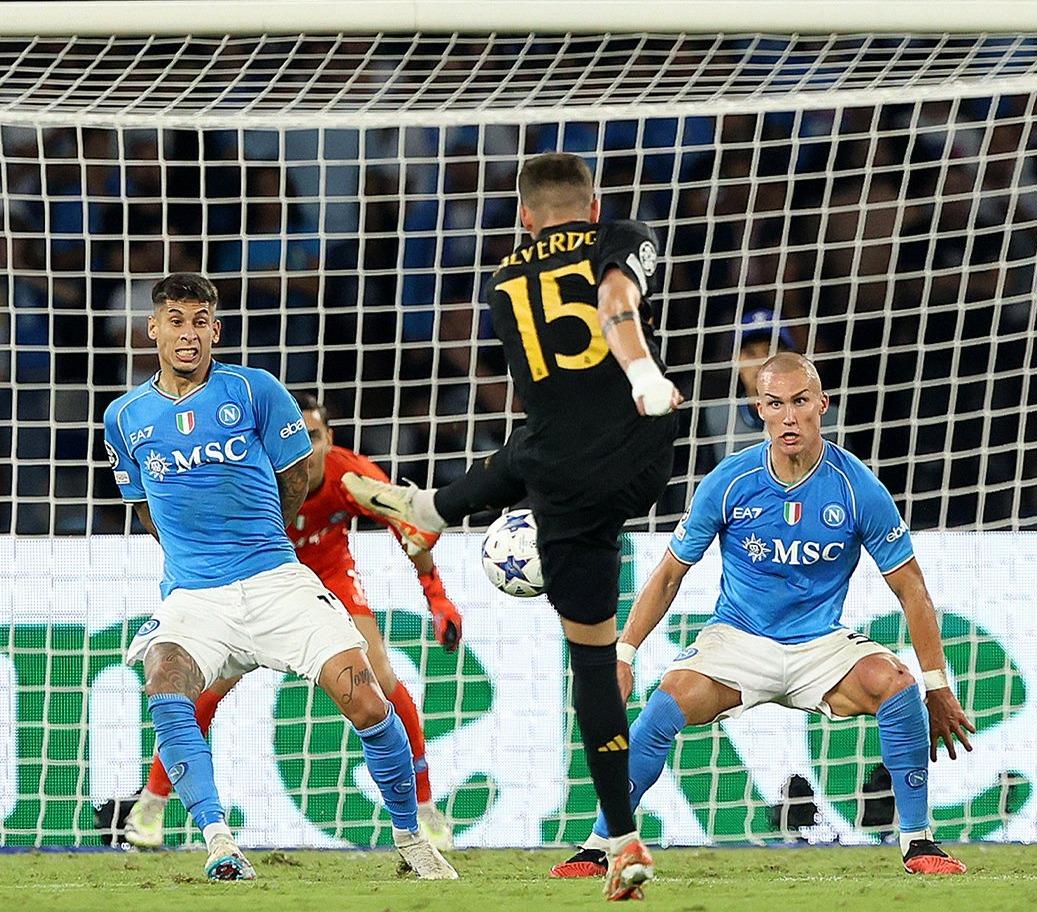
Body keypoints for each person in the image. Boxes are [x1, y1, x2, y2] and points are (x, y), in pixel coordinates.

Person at [344, 152, 682, 901]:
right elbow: (618, 294)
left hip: (561, 482)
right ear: (592, 207)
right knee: (535, 447)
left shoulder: (500, 283)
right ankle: (431, 509)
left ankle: (622, 841)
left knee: (592, 666)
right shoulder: (618, 235)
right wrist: (642, 374)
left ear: (525, 217)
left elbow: (593, 324)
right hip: (640, 453)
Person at [553, 352, 973, 878]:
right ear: (760, 410)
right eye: (777, 404)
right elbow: (667, 575)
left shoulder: (855, 486)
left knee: (897, 684)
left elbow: (912, 589)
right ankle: (600, 843)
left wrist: (937, 684)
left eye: (801, 402)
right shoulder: (730, 481)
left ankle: (918, 841)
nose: (790, 416)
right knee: (663, 705)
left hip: (820, 645)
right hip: (738, 641)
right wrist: (624, 654)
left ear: (822, 404)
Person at [102, 273, 457, 882]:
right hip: (197, 597)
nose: (188, 334)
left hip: (280, 582)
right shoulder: (124, 417)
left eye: (200, 321)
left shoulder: (257, 390)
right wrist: (196, 561)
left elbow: (299, 482)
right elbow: (145, 506)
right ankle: (215, 841)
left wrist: (435, 593)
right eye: (176, 320)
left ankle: (412, 834)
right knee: (167, 685)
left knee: (370, 699)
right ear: (153, 327)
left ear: (216, 329)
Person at [702, 307, 838, 465]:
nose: (761, 362)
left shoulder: (828, 419)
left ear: (789, 357)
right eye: (751, 353)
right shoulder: (717, 417)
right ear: (736, 360)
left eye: (769, 351)